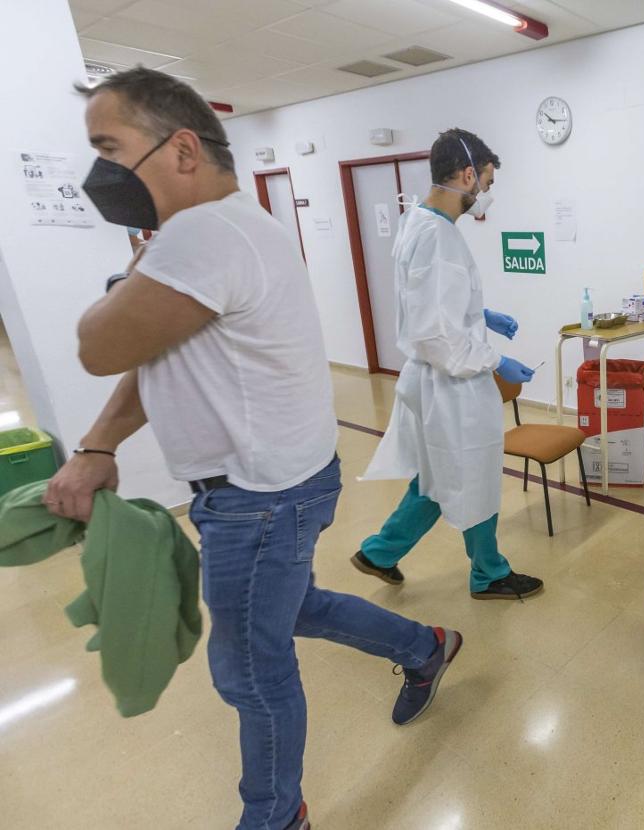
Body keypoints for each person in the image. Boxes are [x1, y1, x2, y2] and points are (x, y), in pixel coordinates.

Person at [47, 67, 461, 830]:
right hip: (281, 484)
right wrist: (101, 442)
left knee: (249, 669)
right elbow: (158, 357)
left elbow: (98, 344)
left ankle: (276, 816)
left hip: (258, 499)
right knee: (288, 608)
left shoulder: (203, 232)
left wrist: (130, 277)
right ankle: (426, 645)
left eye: (110, 147)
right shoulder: (235, 226)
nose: (99, 172)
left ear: (179, 151)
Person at [354, 128, 543, 601]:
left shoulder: (418, 222)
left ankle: (379, 552)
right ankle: (489, 574)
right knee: (470, 474)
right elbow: (439, 337)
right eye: (487, 180)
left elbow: (430, 307)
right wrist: (500, 360)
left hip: (430, 381)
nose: (487, 193)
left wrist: (481, 315)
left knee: (440, 476)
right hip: (451, 386)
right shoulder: (439, 238)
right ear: (465, 175)